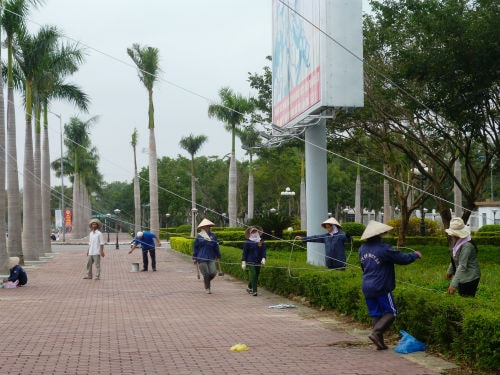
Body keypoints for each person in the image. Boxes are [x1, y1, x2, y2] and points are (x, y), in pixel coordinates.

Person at [359, 220, 422, 350]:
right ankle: (376, 333)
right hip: (381, 286)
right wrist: (415, 255)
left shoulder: (362, 249)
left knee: (376, 314)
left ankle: (380, 343)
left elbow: (363, 267)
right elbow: (402, 259)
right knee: (391, 312)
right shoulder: (384, 248)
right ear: (379, 234)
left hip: (366, 285)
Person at [445, 217, 481, 297]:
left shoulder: (467, 246)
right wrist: (450, 271)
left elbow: (462, 265)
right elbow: (455, 257)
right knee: (463, 297)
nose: (451, 235)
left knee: (466, 300)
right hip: (463, 276)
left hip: (470, 277)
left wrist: (453, 284)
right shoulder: (457, 241)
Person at [192, 218, 221, 294]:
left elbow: (216, 247)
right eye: (205, 226)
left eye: (208, 226)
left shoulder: (213, 236)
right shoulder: (199, 236)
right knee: (206, 273)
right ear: (202, 227)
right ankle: (208, 288)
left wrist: (218, 256)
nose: (207, 227)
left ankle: (206, 280)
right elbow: (195, 247)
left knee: (213, 272)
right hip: (201, 257)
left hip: (211, 257)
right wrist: (194, 258)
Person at [242, 226, 266, 296]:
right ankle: (254, 291)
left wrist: (263, 258)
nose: (254, 233)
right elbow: (244, 253)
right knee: (254, 274)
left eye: (255, 231)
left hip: (258, 261)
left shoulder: (260, 241)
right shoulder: (247, 242)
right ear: (250, 233)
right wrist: (243, 262)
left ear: (258, 232)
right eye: (252, 231)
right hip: (250, 261)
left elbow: (263, 250)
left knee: (256, 274)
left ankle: (249, 287)